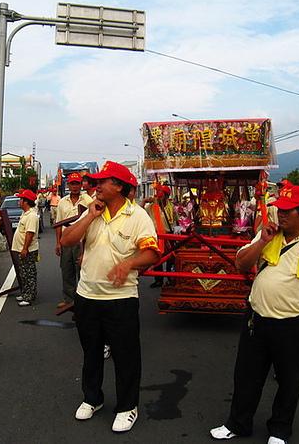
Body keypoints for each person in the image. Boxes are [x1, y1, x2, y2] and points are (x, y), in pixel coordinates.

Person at [210, 185, 299, 444]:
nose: (280, 214)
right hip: (256, 319)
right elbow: (241, 264)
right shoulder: (269, 236)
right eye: (279, 209)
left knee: (289, 381)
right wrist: (261, 241)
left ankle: (279, 430)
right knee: (246, 376)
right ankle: (237, 423)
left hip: (292, 326)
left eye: (287, 211)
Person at [61, 161, 160, 433]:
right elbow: (66, 241)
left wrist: (128, 264)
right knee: (91, 352)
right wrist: (90, 216)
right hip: (87, 296)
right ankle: (92, 398)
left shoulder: (138, 216)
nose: (96, 186)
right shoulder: (92, 211)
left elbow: (152, 254)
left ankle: (128, 407)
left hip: (121, 299)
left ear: (118, 186)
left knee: (126, 355)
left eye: (102, 182)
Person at [55, 173, 93, 308]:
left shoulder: (87, 200)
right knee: (67, 269)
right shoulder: (62, 202)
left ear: (81, 185)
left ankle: (84, 298)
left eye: (77, 183)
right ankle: (68, 299)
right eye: (72, 184)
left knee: (82, 269)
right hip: (66, 240)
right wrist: (58, 242)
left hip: (81, 240)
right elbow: (58, 223)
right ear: (68, 185)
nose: (75, 186)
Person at [141, 184, 174, 288]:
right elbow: (139, 212)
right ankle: (158, 279)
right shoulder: (151, 207)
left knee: (170, 258)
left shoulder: (171, 207)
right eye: (159, 194)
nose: (160, 197)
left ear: (167, 196)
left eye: (163, 195)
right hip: (156, 235)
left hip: (169, 235)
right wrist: (144, 201)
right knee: (157, 258)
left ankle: (170, 277)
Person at [11, 189, 40, 307]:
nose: (19, 201)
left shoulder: (32, 216)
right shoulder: (26, 214)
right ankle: (25, 293)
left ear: (26, 201)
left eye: (21, 199)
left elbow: (30, 233)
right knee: (24, 272)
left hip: (28, 249)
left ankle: (30, 297)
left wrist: (25, 248)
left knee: (29, 273)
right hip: (23, 249)